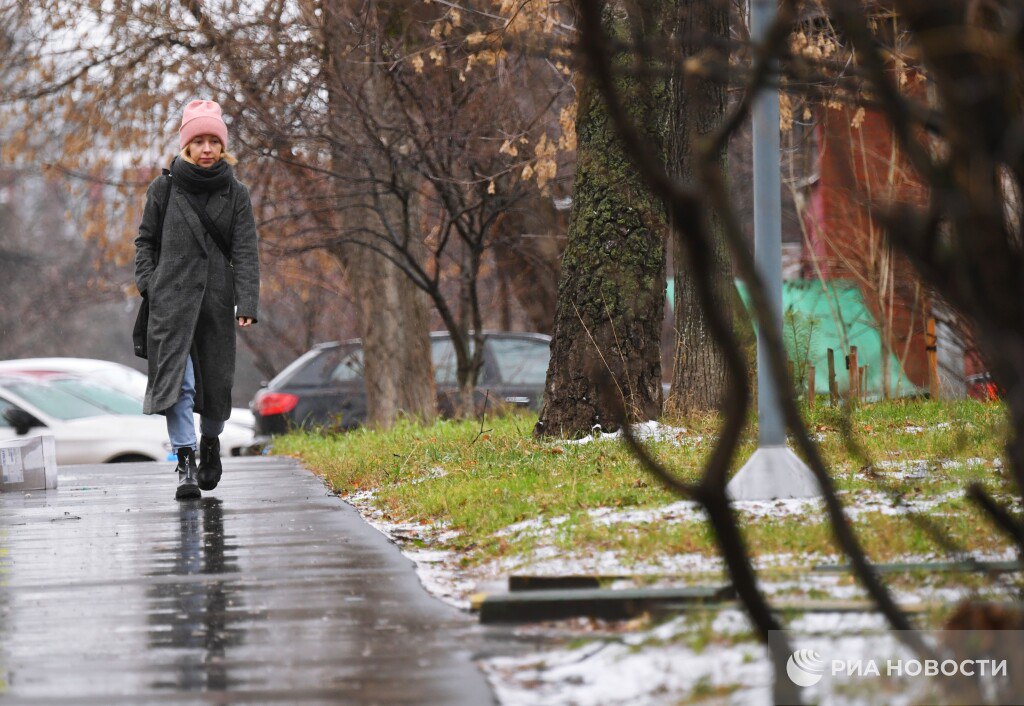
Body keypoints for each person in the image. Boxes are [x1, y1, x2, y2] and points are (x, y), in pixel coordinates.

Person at [134, 100, 260, 500]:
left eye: (213, 141)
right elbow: (145, 242)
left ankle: (210, 442)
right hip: (169, 304)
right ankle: (185, 461)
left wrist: (247, 303)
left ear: (223, 146)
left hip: (216, 303)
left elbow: (245, 251)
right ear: (186, 145)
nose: (207, 149)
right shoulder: (164, 188)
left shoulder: (235, 193)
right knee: (180, 385)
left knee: (217, 387)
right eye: (199, 141)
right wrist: (149, 284)